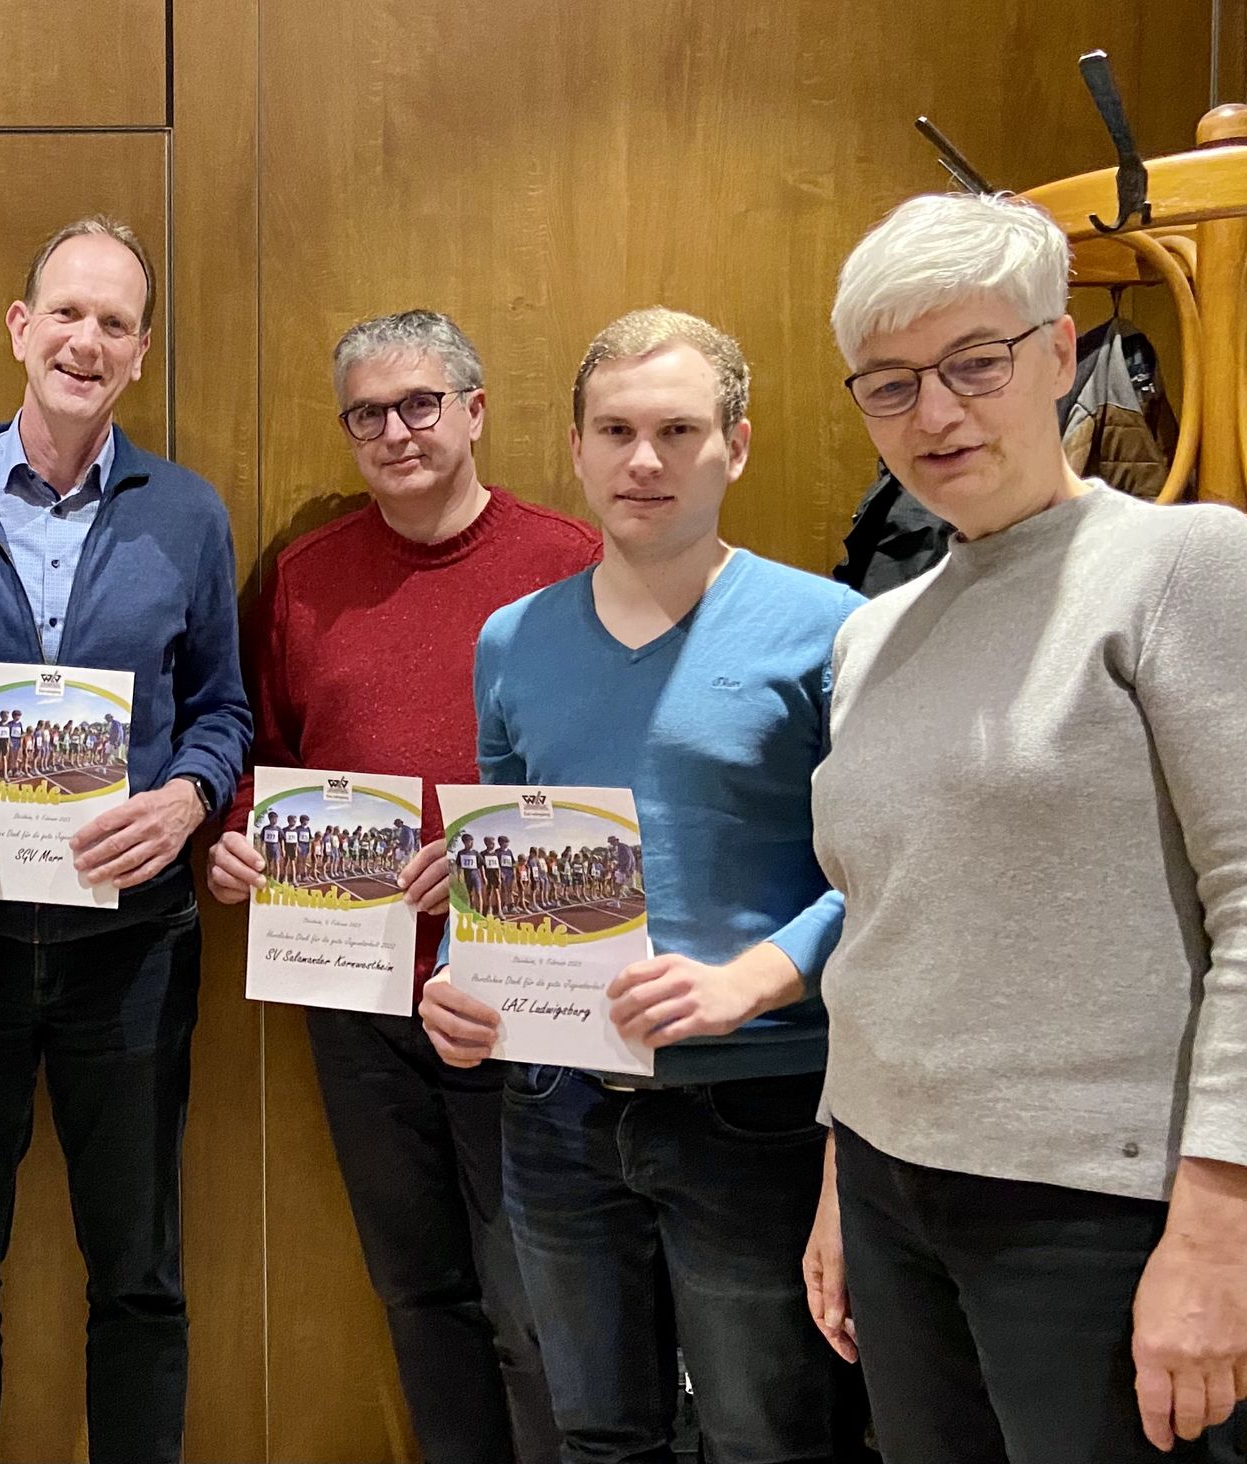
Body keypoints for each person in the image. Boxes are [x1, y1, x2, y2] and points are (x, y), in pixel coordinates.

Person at [806, 192, 1247, 1464]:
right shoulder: (871, 634)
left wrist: (1217, 1230)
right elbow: (884, 923)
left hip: (1091, 1211)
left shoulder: (1181, 565)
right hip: (886, 1188)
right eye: (889, 385)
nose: (934, 414)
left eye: (972, 364)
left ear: (1056, 353)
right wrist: (836, 1177)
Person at [416, 307, 863, 1464]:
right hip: (555, 1101)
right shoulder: (512, 641)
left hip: (756, 1102)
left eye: (677, 430)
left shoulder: (834, 631)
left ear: (736, 446)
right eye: (615, 431)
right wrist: (462, 980)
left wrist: (753, 981)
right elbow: (501, 866)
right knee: (596, 1436)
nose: (644, 461)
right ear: (575, 449)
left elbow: (889, 875)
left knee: (768, 1441)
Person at [0, 215, 252, 1464]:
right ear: (20, 328)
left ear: (139, 354)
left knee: (138, 1271)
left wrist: (188, 798)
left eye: (116, 323)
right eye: (68, 314)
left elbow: (223, 708)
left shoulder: (185, 514)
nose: (88, 341)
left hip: (131, 950)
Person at [207, 310, 595, 1462]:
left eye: (419, 404)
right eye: (367, 414)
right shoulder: (305, 580)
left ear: (474, 411)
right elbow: (262, 755)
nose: (395, 432)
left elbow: (615, 778)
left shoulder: (568, 564)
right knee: (419, 1298)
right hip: (357, 998)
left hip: (523, 1000)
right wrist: (236, 838)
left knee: (538, 1312)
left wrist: (489, 868)